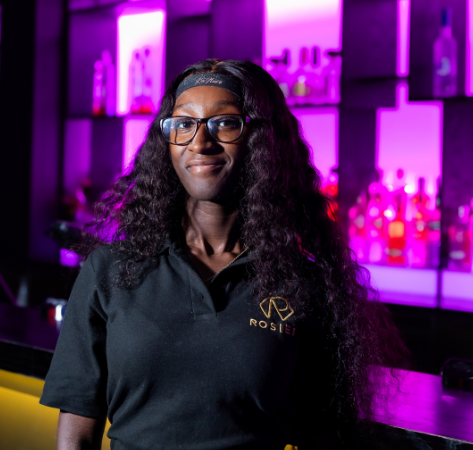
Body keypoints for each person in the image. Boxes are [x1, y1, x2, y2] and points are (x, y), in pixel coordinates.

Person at [39, 59, 406, 449]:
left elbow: (322, 435)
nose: (200, 142)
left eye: (224, 123)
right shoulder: (110, 270)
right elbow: (76, 435)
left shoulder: (305, 283)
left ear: (262, 139)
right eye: (183, 124)